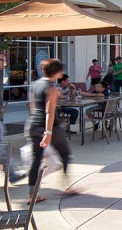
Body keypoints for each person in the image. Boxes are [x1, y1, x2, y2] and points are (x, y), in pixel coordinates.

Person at [25, 58, 74, 203]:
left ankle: (32, 195)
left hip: (32, 124)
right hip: (47, 127)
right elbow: (49, 112)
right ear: (58, 72)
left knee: (35, 160)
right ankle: (66, 187)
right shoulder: (52, 88)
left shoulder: (34, 85)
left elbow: (33, 106)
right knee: (65, 154)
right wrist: (48, 133)